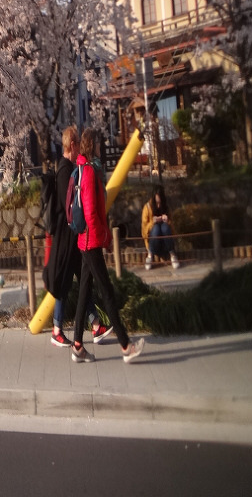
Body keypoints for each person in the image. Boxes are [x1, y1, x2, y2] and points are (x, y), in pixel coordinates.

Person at [72, 128, 144, 364]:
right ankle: (126, 346)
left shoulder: (85, 169)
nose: (101, 147)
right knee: (107, 293)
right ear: (91, 145)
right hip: (91, 242)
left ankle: (77, 346)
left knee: (84, 293)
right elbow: (92, 212)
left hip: (85, 241)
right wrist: (104, 240)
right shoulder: (89, 172)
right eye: (98, 143)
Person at [42, 126, 113, 347]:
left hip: (71, 238)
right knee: (65, 283)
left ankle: (95, 325)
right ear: (72, 145)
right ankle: (58, 330)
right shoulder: (65, 170)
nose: (80, 148)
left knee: (82, 282)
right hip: (67, 238)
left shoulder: (66, 168)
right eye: (78, 145)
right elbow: (71, 206)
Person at [142, 186, 180, 270]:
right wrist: (152, 222)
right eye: (157, 202)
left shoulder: (166, 207)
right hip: (153, 243)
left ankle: (172, 254)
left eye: (160, 202)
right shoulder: (147, 208)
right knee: (156, 228)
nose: (158, 205)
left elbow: (173, 230)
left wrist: (168, 221)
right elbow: (144, 232)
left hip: (166, 244)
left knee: (165, 227)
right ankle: (150, 255)